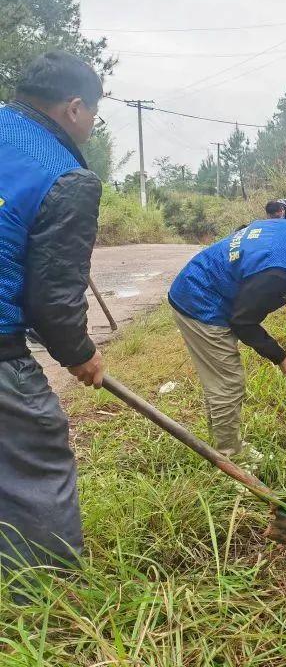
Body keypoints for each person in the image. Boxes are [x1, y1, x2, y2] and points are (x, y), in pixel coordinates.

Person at [0, 51, 106, 571]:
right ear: (75, 108)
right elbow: (52, 302)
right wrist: (80, 354)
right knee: (36, 455)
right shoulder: (65, 176)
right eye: (95, 115)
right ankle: (46, 601)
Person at [168, 208, 286, 464]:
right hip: (199, 301)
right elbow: (242, 321)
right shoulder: (279, 272)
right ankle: (230, 459)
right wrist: (280, 356)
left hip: (208, 285)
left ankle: (222, 444)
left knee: (220, 382)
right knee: (227, 383)